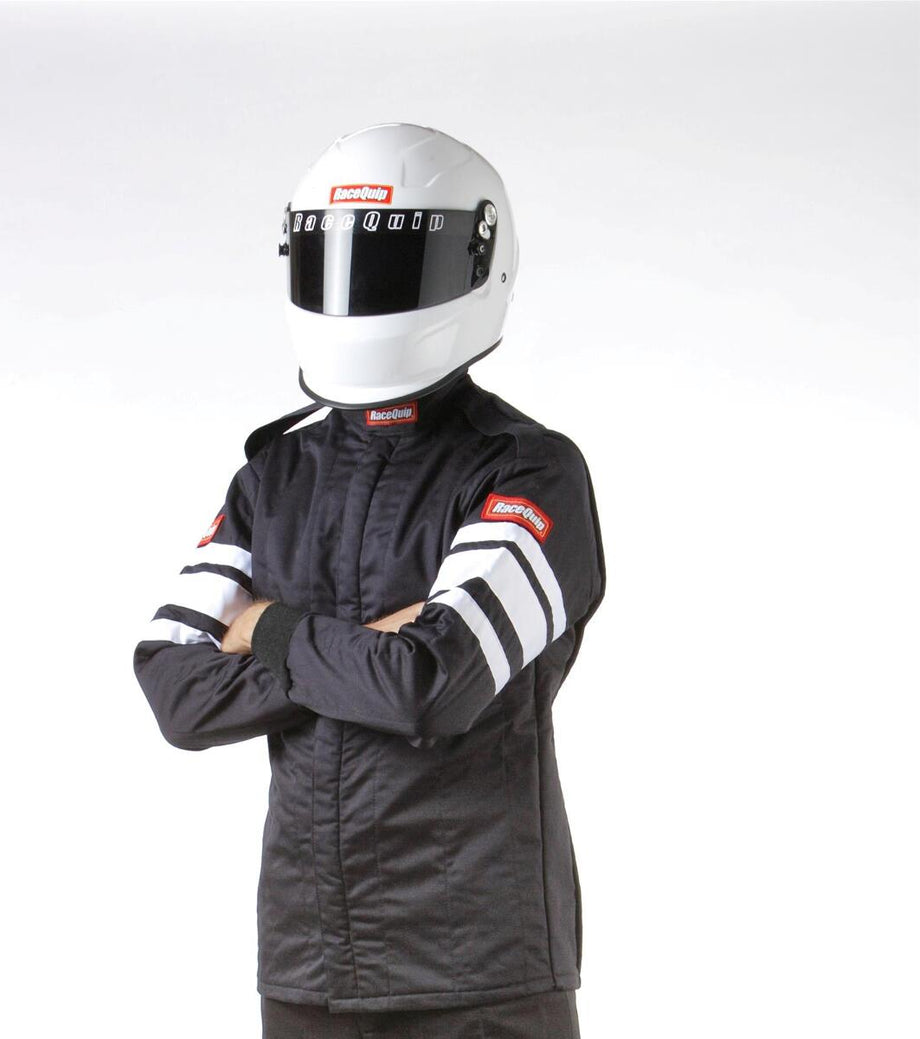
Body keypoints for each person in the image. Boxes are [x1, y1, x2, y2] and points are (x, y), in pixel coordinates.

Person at [133, 123, 605, 1039]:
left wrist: (269, 627)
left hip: (480, 974)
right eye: (337, 259)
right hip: (308, 966)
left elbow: (430, 684)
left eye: (394, 264)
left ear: (478, 258)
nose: (360, 292)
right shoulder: (274, 476)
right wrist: (368, 650)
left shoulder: (529, 472)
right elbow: (177, 692)